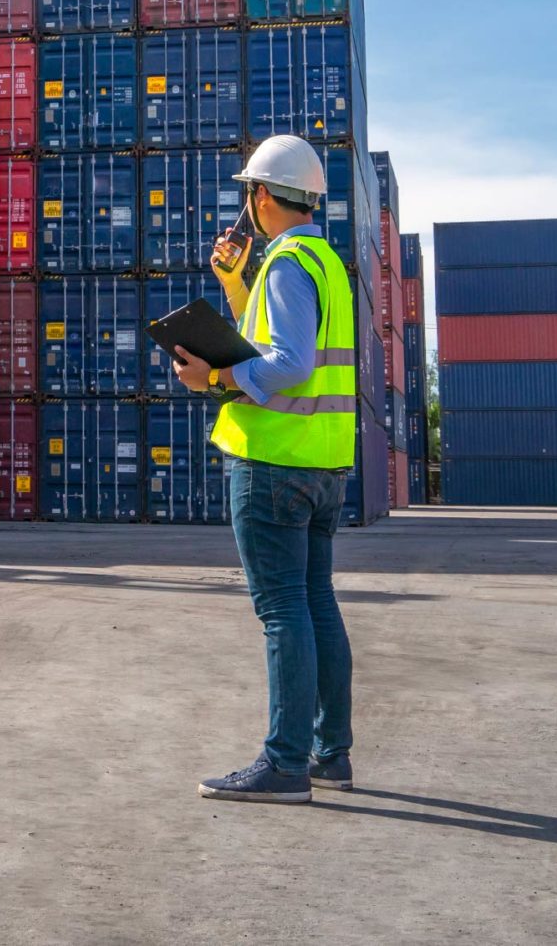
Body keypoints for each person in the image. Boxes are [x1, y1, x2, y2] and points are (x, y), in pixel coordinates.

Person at [169, 134, 357, 805]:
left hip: (274, 462)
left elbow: (288, 365)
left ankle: (285, 764)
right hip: (323, 461)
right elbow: (285, 341)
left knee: (283, 612)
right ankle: (330, 753)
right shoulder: (322, 260)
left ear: (259, 196)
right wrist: (233, 283)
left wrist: (213, 374)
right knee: (315, 605)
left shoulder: (285, 263)